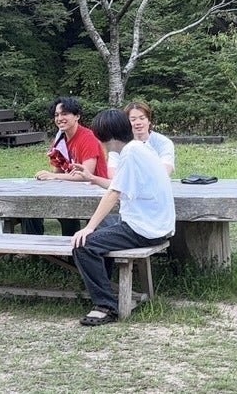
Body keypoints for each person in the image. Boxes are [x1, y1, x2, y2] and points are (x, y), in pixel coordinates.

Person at [70, 109, 175, 326]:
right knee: (100, 236)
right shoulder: (137, 149)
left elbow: (114, 193)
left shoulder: (130, 153)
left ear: (105, 136)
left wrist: (89, 227)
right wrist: (92, 178)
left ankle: (106, 306)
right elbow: (118, 185)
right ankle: (108, 293)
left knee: (84, 245)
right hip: (155, 225)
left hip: (144, 229)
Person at [26, 97, 109, 236]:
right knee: (31, 206)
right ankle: (33, 247)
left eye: (64, 114)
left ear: (77, 116)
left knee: (66, 212)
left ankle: (71, 247)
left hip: (94, 193)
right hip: (70, 191)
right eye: (56, 115)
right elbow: (57, 171)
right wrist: (49, 177)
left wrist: (53, 176)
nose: (59, 118)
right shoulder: (60, 139)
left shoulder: (88, 138)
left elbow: (86, 175)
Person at [76, 100, 175, 188]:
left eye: (142, 118)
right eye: (133, 119)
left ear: (149, 121)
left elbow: (163, 174)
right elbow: (114, 177)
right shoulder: (120, 144)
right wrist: (92, 178)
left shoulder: (162, 143)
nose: (138, 122)